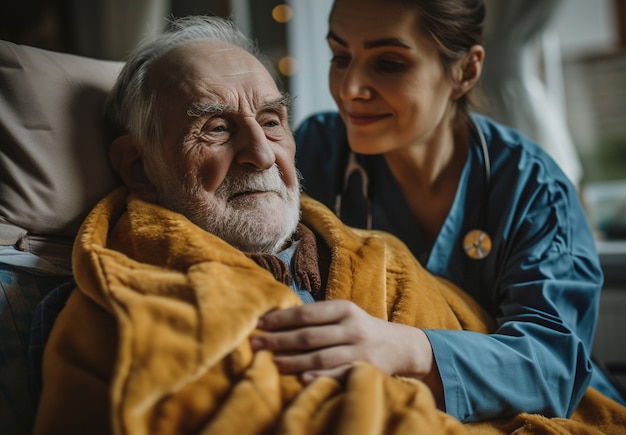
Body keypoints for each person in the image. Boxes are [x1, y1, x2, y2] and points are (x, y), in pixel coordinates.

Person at [32, 15, 496, 434]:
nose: (261, 153)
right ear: (138, 168)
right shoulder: (120, 307)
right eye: (215, 127)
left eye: (272, 121)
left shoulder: (383, 258)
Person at [293, 0, 625, 424]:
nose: (349, 87)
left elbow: (552, 367)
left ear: (465, 71)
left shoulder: (533, 190)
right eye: (340, 57)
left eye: (390, 63)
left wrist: (407, 348)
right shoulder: (316, 151)